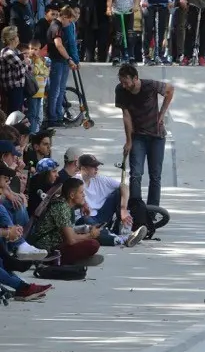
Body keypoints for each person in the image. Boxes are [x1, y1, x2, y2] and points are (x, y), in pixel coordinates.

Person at [115, 64, 175, 206]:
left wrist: (162, 113)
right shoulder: (121, 90)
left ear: (135, 78)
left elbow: (170, 89)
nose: (124, 85)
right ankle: (136, 208)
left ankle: (153, 210)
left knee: (155, 176)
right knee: (136, 174)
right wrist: (128, 141)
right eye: (121, 82)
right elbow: (126, 116)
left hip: (157, 137)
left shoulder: (150, 85)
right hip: (138, 136)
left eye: (126, 82)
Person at [28, 178, 102, 266]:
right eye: (81, 192)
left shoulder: (64, 205)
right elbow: (71, 240)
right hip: (48, 250)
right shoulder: (61, 207)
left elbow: (69, 231)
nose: (84, 195)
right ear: (72, 195)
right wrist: (90, 235)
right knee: (93, 244)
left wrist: (87, 230)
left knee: (91, 239)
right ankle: (60, 261)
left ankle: (73, 259)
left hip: (56, 243)